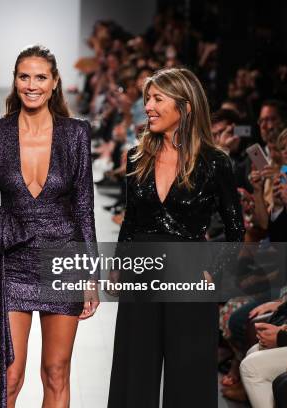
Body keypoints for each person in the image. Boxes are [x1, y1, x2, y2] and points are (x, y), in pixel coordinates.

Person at [0, 45, 99, 407]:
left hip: (63, 261)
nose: (31, 85)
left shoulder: (76, 133)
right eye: (24, 76)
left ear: (54, 83)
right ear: (15, 81)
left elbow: (84, 207)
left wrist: (91, 272)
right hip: (11, 261)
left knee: (55, 371)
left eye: (40, 77)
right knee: (9, 376)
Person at [107, 67, 245, 408]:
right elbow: (131, 220)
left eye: (157, 99)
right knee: (134, 371)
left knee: (190, 375)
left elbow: (235, 229)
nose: (149, 107)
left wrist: (214, 274)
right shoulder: (137, 157)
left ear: (184, 107)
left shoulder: (216, 163)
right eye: (147, 99)